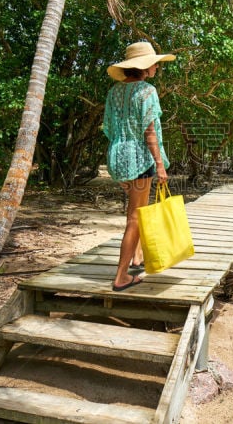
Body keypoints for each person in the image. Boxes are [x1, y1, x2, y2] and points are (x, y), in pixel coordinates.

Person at [103, 42, 175, 291]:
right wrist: (159, 164)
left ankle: (137, 257)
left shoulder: (114, 92)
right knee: (135, 217)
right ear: (145, 66)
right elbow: (150, 131)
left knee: (137, 210)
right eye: (155, 63)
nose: (157, 66)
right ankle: (121, 276)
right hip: (139, 158)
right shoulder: (147, 91)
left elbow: (109, 128)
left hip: (117, 156)